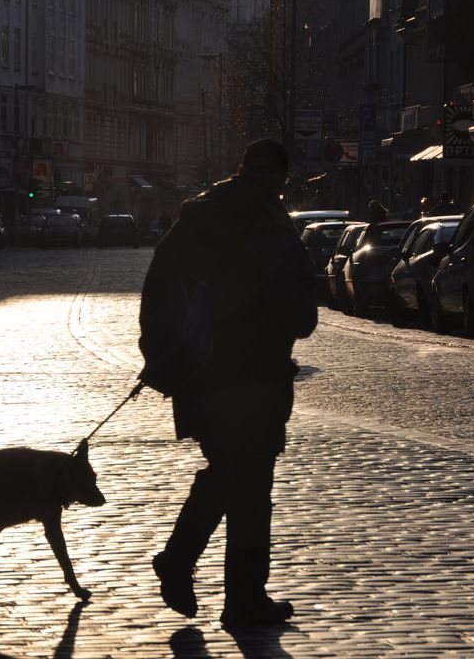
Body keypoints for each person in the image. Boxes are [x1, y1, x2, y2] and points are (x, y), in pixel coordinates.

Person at [145, 139, 317, 627]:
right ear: (280, 179)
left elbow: (158, 288)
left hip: (201, 374)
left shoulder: (198, 215)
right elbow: (300, 313)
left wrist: (164, 357)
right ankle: (239, 595)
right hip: (255, 373)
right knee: (250, 484)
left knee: (226, 472)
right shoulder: (270, 224)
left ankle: (180, 561)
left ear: (240, 169)